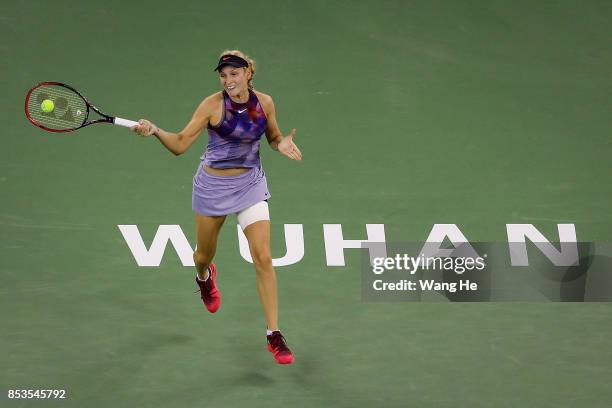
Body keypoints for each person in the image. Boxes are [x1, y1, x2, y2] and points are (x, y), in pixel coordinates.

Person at [132, 50, 302, 365]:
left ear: (249, 73)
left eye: (234, 74)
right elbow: (181, 144)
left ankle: (274, 334)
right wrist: (155, 131)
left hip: (250, 183)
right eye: (223, 75)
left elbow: (273, 136)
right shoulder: (212, 105)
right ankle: (204, 275)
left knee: (263, 256)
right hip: (212, 187)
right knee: (203, 254)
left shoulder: (264, 103)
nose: (228, 80)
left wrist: (281, 145)